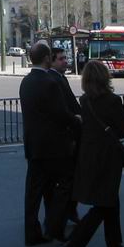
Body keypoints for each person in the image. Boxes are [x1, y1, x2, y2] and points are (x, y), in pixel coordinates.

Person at [63, 60, 124, 247]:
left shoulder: (85, 101)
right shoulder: (112, 101)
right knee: (104, 202)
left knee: (110, 198)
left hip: (88, 155)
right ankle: (76, 243)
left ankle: (114, 241)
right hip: (108, 156)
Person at [19, 43, 79, 246]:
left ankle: (31, 233)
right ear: (46, 58)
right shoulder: (50, 82)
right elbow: (61, 114)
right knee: (65, 183)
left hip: (33, 145)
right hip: (54, 146)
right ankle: (55, 227)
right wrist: (77, 120)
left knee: (33, 192)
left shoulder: (26, 81)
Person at [49, 47, 82, 225]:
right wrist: (77, 119)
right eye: (61, 59)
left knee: (70, 178)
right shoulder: (53, 79)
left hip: (70, 134)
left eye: (65, 58)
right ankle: (61, 217)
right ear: (52, 61)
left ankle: (68, 211)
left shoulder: (60, 77)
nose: (65, 61)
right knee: (66, 179)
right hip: (65, 137)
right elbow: (63, 108)